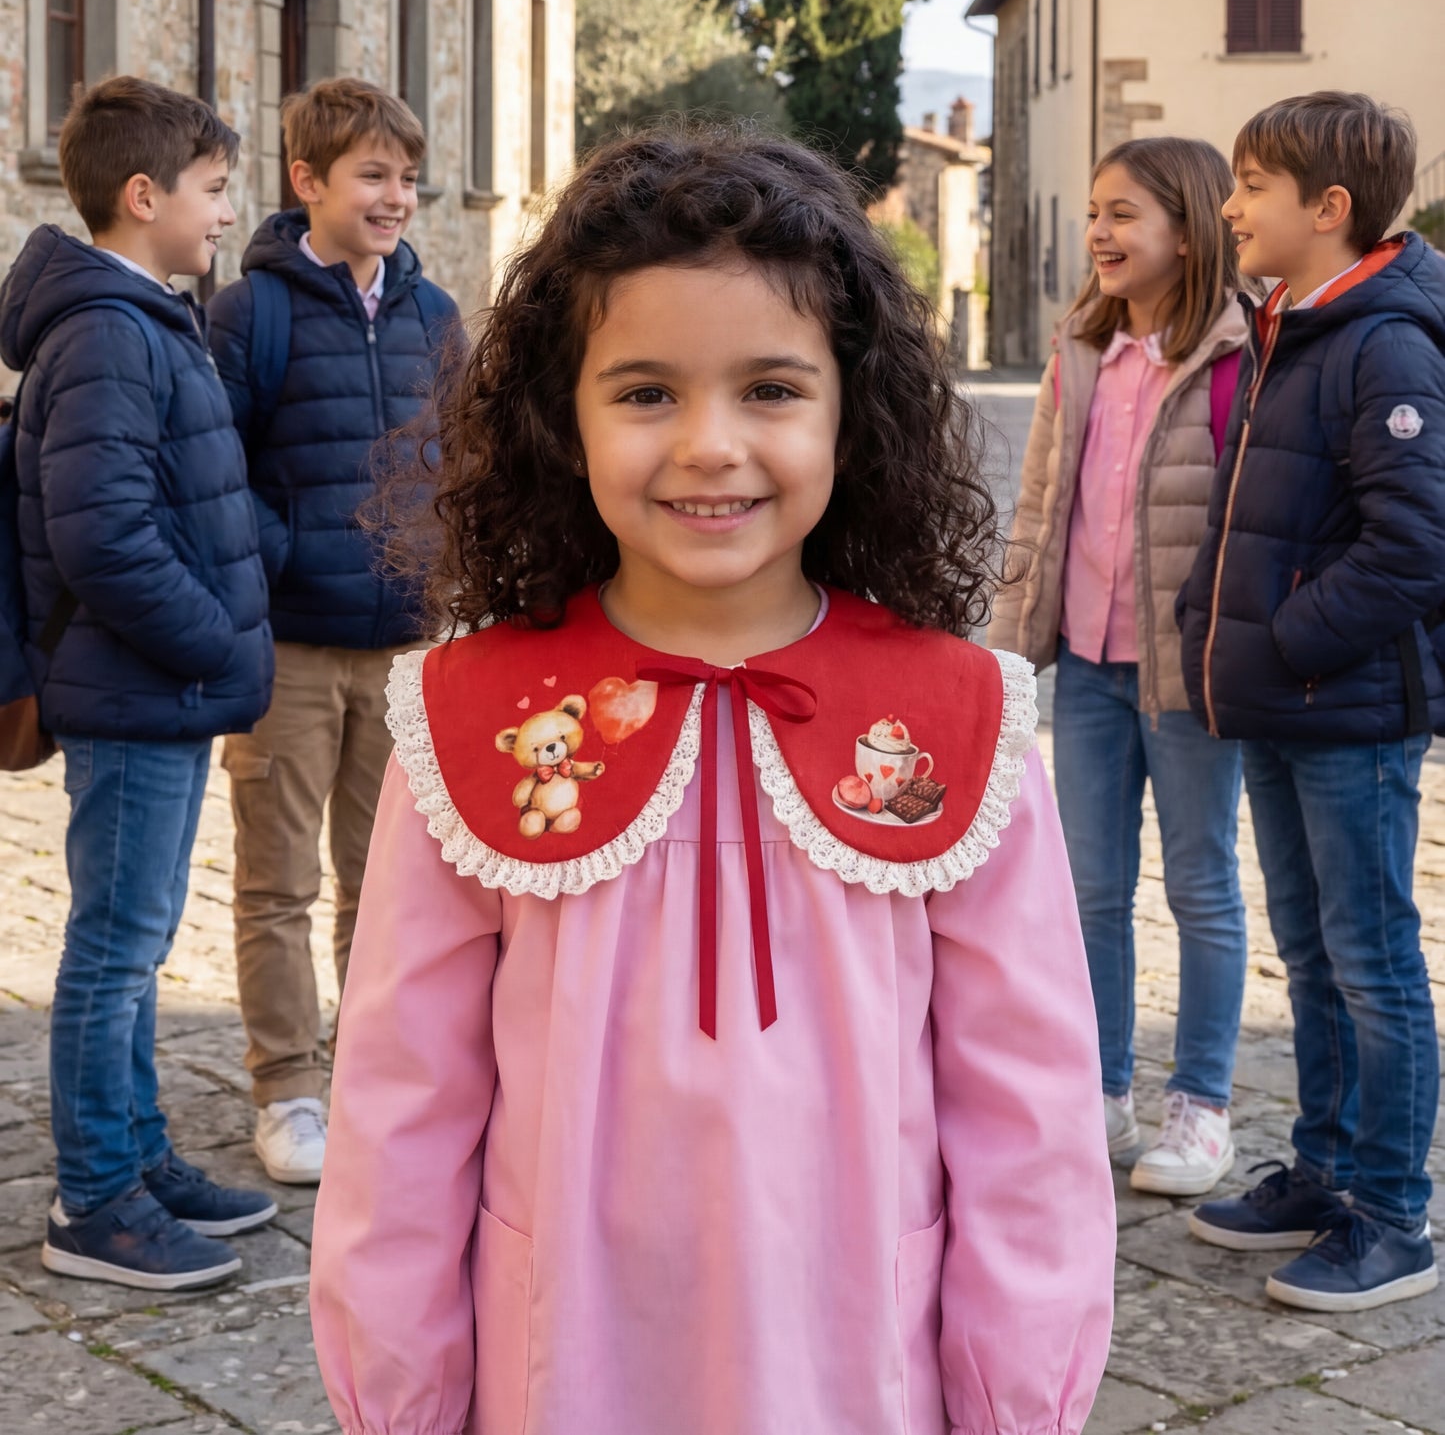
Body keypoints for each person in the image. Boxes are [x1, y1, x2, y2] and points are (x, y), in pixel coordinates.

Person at [309, 124, 1115, 1435]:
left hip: (857, 1362)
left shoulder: (956, 717)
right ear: (559, 416)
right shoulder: (471, 723)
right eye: (644, 392)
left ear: (852, 409)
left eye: (770, 388)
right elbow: (401, 1102)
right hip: (562, 1360)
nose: (708, 444)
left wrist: (1015, 1392)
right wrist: (401, 1389)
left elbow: (1027, 1113)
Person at [0, 78, 275, 1291]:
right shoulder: (112, 329)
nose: (227, 213)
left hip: (153, 686)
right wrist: (215, 640)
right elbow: (103, 536)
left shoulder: (143, 315)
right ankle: (95, 1201)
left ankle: (141, 1158)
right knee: (113, 949)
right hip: (136, 686)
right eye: (214, 190)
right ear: (144, 193)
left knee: (140, 941)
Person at [1180, 91, 1444, 1312]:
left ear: (1325, 209)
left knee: (1372, 960)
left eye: (1249, 185)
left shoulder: (1385, 344)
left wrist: (1284, 641)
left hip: (1345, 713)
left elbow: (1412, 548)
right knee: (1312, 953)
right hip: (1283, 707)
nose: (1228, 207)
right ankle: (1325, 1175)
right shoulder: (1287, 326)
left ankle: (1392, 1217)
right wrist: (1208, 627)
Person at [207, 78, 458, 1187]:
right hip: (293, 646)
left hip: (406, 647)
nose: (395, 197)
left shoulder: (435, 314)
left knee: (390, 880)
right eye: (372, 176)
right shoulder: (248, 313)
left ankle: (371, 1074)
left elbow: (462, 461)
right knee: (277, 885)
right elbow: (215, 469)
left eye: (405, 177)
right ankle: (286, 1089)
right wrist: (286, 551)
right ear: (307, 181)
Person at [990, 138, 1251, 1198]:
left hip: (1185, 675)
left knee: (1199, 887)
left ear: (1183, 232)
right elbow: (1037, 511)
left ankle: (1199, 1107)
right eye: (1092, 213)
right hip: (1087, 668)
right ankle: (1097, 1091)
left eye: (1120, 215)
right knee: (1087, 888)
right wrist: (1009, 652)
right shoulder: (1078, 355)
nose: (1096, 232)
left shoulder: (1238, 358)